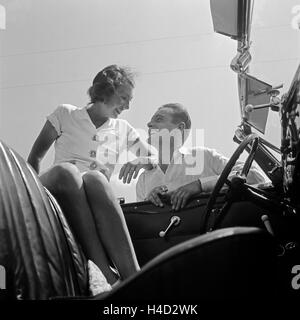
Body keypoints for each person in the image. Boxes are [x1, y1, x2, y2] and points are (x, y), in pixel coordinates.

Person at [28, 65, 157, 286]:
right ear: (106, 90)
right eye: (124, 97)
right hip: (56, 187)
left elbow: (153, 157)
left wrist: (142, 160)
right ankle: (104, 272)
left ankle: (135, 278)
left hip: (92, 192)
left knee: (95, 178)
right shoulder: (66, 114)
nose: (127, 106)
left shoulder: (123, 128)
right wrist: (30, 200)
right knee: (69, 172)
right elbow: (35, 157)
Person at [136, 103, 265, 210]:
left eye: (158, 119)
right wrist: (149, 202)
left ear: (179, 128)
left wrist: (199, 185)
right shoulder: (143, 179)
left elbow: (254, 176)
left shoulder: (203, 156)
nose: (149, 124)